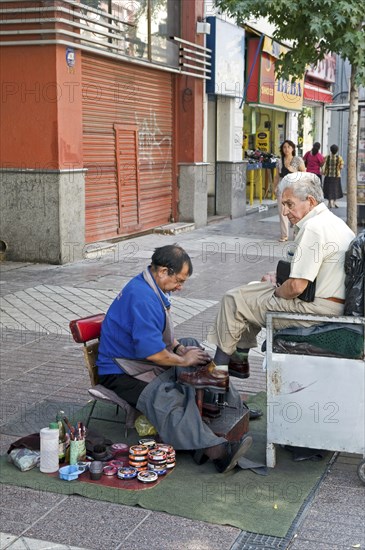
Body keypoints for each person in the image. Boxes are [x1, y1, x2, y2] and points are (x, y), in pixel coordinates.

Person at [96, 244, 252, 473]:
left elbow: (159, 339)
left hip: (139, 359)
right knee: (166, 396)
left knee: (191, 346)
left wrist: (180, 349)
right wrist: (183, 361)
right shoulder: (142, 298)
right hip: (119, 372)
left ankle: (228, 404)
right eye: (179, 280)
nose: (180, 287)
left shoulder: (150, 287)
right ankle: (217, 452)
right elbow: (152, 353)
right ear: (162, 271)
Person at [207, 172, 355, 372]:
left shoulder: (313, 227)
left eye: (289, 204)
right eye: (283, 204)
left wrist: (276, 291)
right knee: (252, 291)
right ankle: (239, 359)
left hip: (317, 310)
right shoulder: (334, 222)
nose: (285, 212)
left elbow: (295, 287)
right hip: (331, 304)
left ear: (310, 201)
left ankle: (218, 371)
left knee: (234, 299)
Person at [274, 140, 306, 242]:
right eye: (284, 147)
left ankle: (296, 234)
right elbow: (276, 176)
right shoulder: (279, 161)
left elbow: (304, 173)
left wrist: (294, 171)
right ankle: (284, 235)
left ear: (292, 148)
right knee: (282, 212)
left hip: (294, 190)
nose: (286, 149)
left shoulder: (298, 160)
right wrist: (274, 187)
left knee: (295, 212)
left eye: (288, 147)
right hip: (282, 189)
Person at [322, 144, 344, 208]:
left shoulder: (327, 157)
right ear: (337, 150)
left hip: (328, 176)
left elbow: (323, 164)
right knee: (336, 189)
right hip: (336, 176)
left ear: (330, 150)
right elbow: (341, 167)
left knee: (329, 189)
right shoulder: (339, 158)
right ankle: (334, 202)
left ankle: (329, 202)